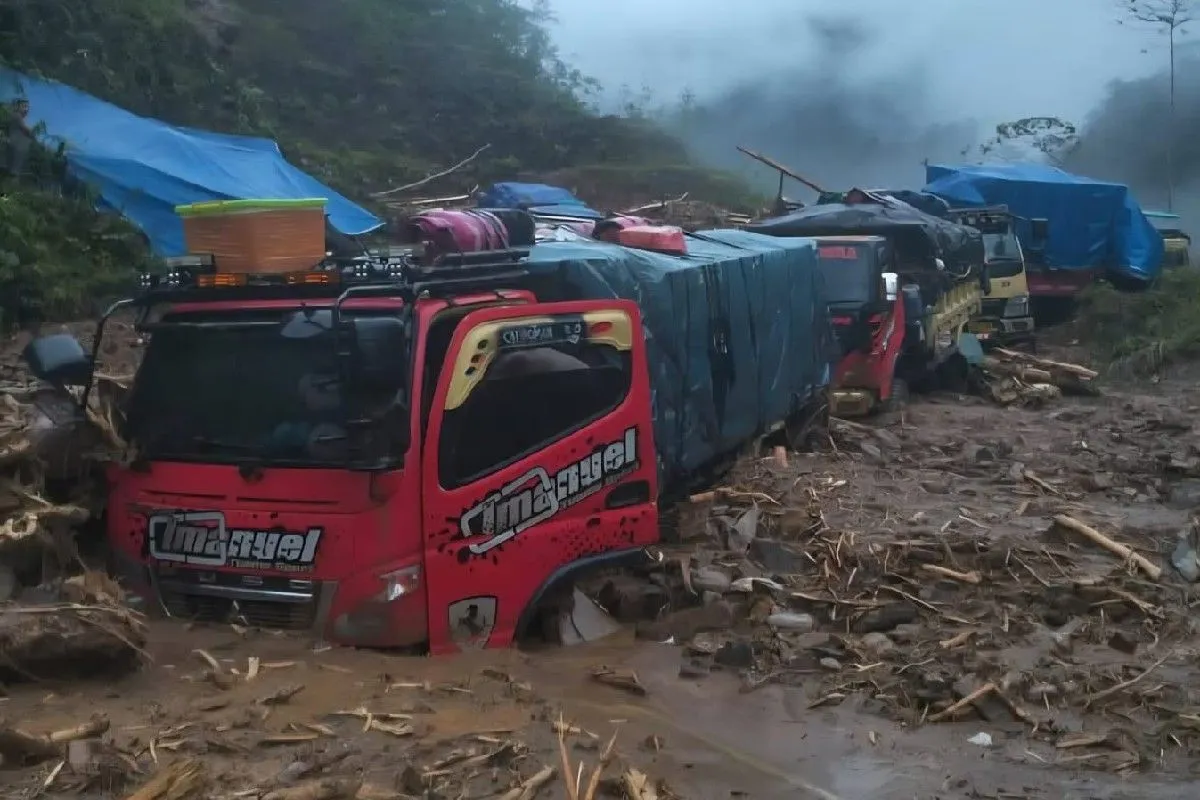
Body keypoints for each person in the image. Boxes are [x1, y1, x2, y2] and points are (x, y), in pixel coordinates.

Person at [3, 98, 34, 180]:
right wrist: (31, 132)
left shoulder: (16, 116)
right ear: (18, 107)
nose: (26, 109)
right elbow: (26, 129)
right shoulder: (17, 116)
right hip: (16, 146)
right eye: (24, 106)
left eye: (27, 107)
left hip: (15, 145)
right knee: (14, 173)